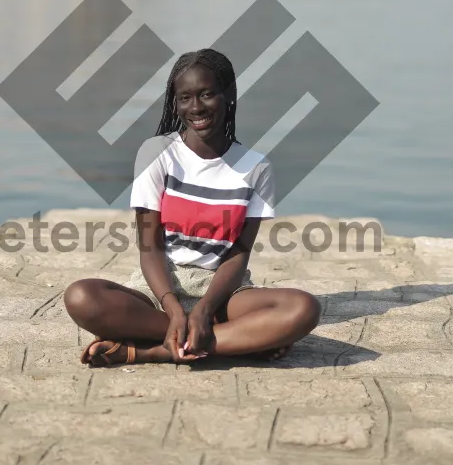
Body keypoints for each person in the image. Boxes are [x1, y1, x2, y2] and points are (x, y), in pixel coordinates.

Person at [64, 48, 321, 367]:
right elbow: (150, 247)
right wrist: (173, 308)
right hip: (159, 289)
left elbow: (238, 253)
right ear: (175, 102)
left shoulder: (257, 168)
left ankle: (153, 351)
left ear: (228, 95)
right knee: (81, 297)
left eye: (207, 94)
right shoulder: (157, 153)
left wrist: (205, 309)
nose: (196, 107)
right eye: (185, 98)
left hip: (223, 294)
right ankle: (233, 339)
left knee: (304, 308)